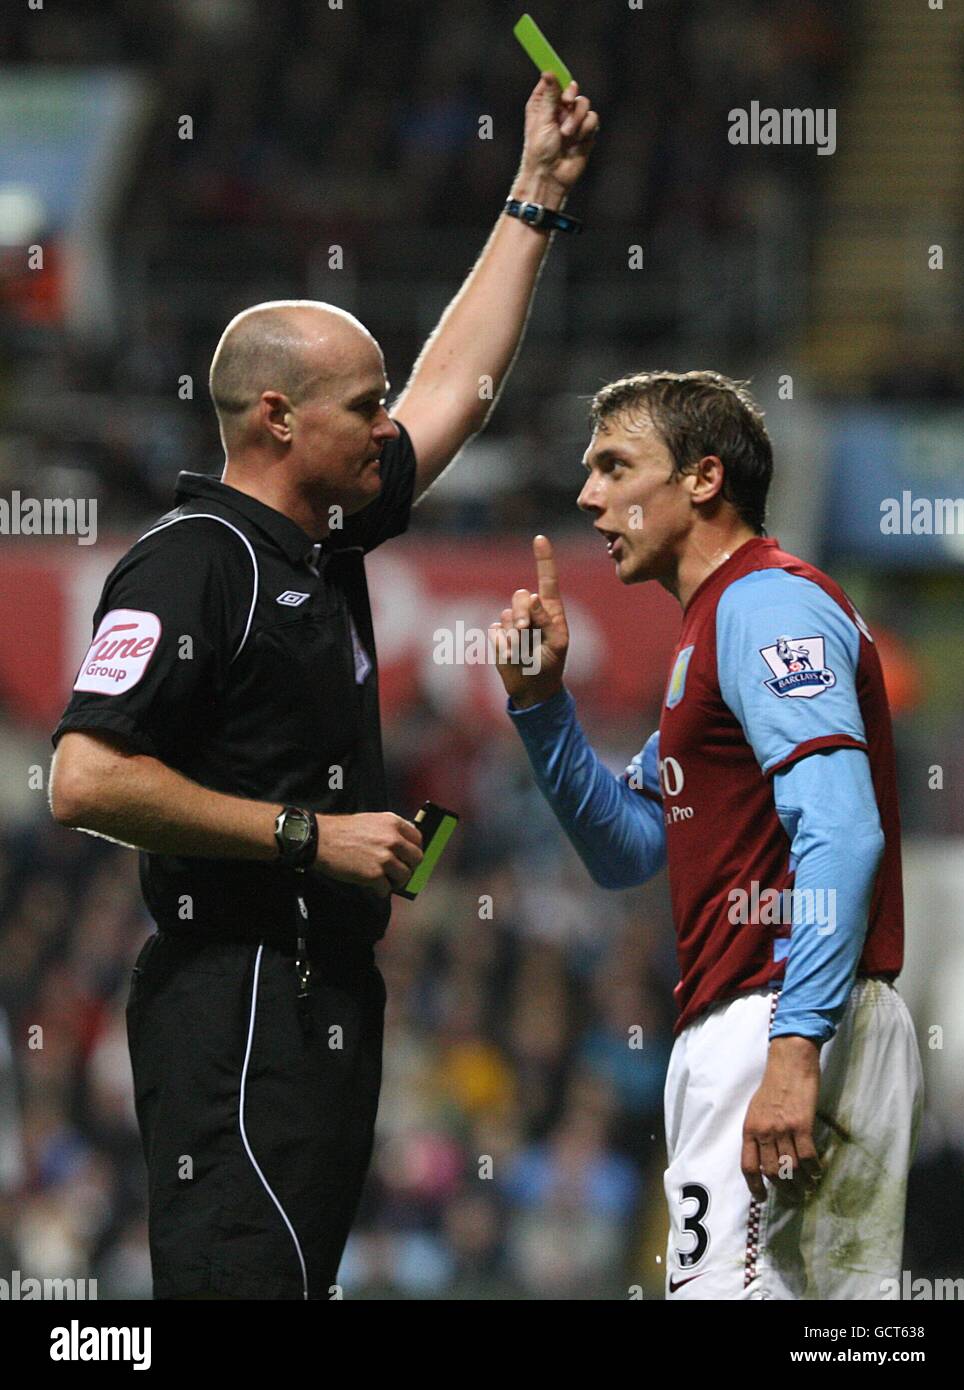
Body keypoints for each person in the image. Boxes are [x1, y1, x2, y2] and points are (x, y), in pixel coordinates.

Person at [47, 73, 599, 1301]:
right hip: (234, 998)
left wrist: (536, 194)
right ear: (283, 419)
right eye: (364, 407)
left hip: (320, 998)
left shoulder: (324, 544)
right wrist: (307, 835)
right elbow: (81, 776)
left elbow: (460, 391)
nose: (388, 427)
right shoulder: (193, 564)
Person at [489, 370, 923, 1300]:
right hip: (770, 1014)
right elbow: (630, 847)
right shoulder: (715, 629)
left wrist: (793, 1046)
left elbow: (842, 832)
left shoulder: (766, 606)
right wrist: (539, 708)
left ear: (701, 478)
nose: (587, 495)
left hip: (777, 1010)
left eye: (614, 465)